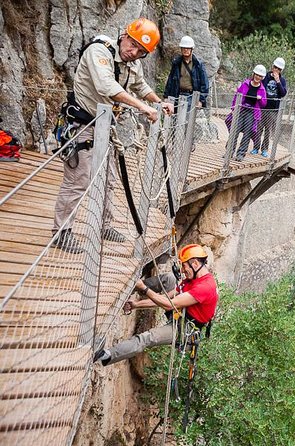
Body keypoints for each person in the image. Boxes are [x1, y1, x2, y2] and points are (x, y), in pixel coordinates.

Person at [52, 18, 174, 254]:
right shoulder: (99, 51)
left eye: (141, 51)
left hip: (105, 126)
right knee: (79, 179)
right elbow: (107, 87)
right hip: (82, 124)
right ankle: (62, 232)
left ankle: (103, 225)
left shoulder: (133, 62)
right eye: (133, 45)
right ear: (125, 36)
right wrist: (143, 108)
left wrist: (158, 102)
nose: (134, 52)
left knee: (109, 178)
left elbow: (140, 85)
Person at [94, 243, 219, 366]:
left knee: (148, 338)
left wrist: (144, 289)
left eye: (184, 266)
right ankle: (131, 285)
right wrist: (137, 304)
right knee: (169, 278)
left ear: (195, 264)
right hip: (180, 312)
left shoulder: (205, 287)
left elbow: (169, 304)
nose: (182, 270)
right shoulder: (192, 279)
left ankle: (105, 355)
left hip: (185, 328)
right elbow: (165, 297)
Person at [225, 65, 267, 162]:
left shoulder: (262, 89)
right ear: (254, 74)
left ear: (262, 78)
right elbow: (237, 95)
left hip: (252, 112)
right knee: (235, 131)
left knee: (247, 133)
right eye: (257, 75)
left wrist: (260, 99)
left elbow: (264, 103)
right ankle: (229, 152)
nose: (258, 77)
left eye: (260, 76)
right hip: (242, 109)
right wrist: (233, 107)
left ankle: (240, 154)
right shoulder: (246, 84)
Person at [252, 57, 287, 158]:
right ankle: (256, 147)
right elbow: (258, 86)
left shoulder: (282, 80)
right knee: (259, 128)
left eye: (279, 69)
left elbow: (283, 93)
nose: (276, 70)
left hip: (273, 109)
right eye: (275, 67)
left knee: (268, 130)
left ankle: (264, 149)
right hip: (262, 107)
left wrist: (278, 81)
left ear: (281, 70)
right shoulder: (265, 76)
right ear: (272, 66)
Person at [163, 35, 209, 109]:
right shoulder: (176, 63)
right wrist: (166, 96)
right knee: (175, 117)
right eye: (184, 48)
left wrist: (200, 100)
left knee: (187, 119)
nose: (186, 50)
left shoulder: (198, 64)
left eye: (188, 48)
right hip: (177, 94)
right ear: (181, 49)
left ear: (191, 49)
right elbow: (170, 80)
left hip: (191, 96)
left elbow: (204, 84)